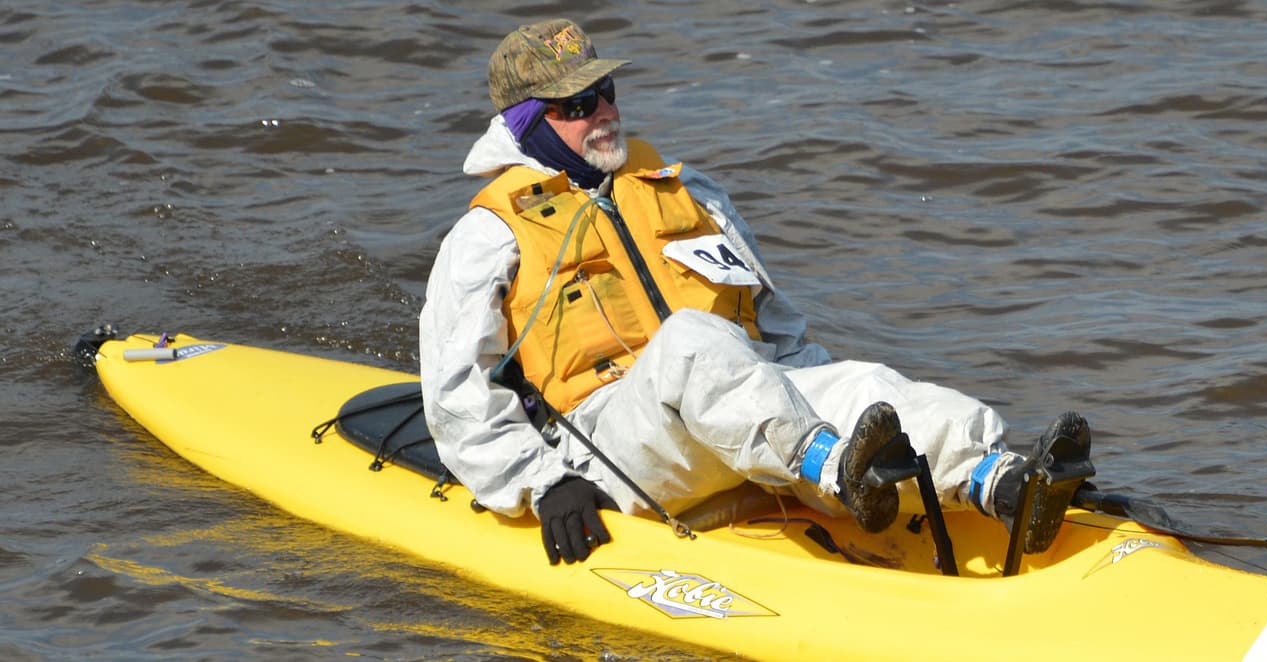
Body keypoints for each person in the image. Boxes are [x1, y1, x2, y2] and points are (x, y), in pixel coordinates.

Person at [419, 19, 1095, 565]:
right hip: (612, 444)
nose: (601, 112)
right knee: (692, 340)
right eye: (574, 105)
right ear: (528, 123)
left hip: (743, 412)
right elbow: (457, 397)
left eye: (606, 93)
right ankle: (840, 476)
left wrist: (837, 390)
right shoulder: (488, 237)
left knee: (866, 388)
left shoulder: (691, 193)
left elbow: (780, 333)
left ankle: (1003, 483)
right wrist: (544, 484)